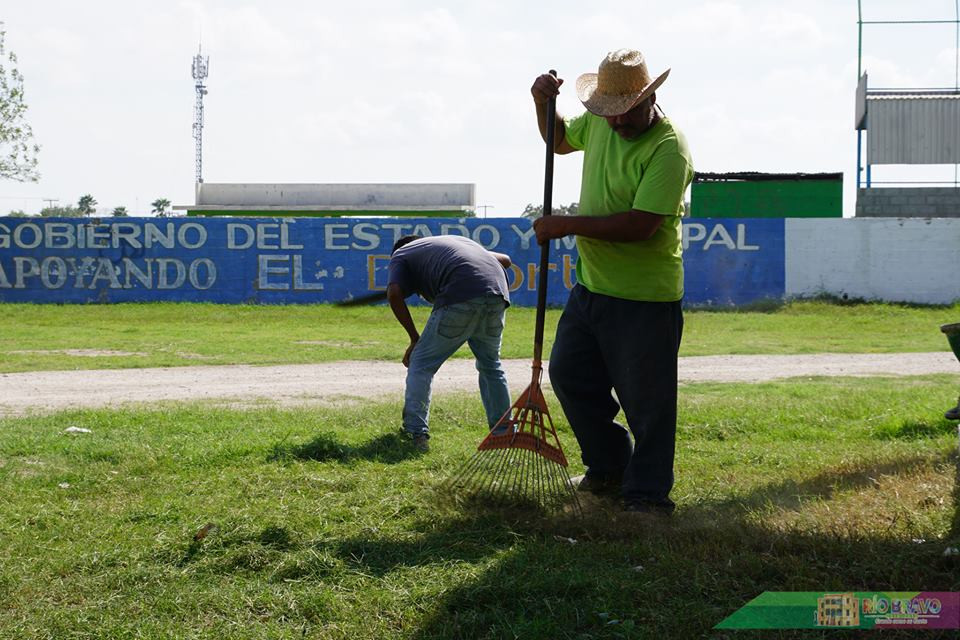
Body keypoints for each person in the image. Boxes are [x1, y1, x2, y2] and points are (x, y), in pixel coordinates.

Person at [530, 49, 694, 513]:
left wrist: (567, 225)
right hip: (591, 288)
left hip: (645, 297)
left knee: (648, 403)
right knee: (569, 376)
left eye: (625, 114)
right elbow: (558, 142)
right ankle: (608, 465)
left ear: (651, 98)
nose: (616, 124)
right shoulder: (603, 123)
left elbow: (640, 225)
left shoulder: (669, 146)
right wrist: (543, 105)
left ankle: (647, 495)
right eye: (608, 114)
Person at [386, 234, 513, 451]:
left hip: (460, 294)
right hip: (497, 295)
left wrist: (414, 339)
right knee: (491, 366)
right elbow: (506, 260)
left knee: (421, 365)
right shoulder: (450, 244)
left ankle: (416, 433)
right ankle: (504, 433)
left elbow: (394, 293)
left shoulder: (401, 254)